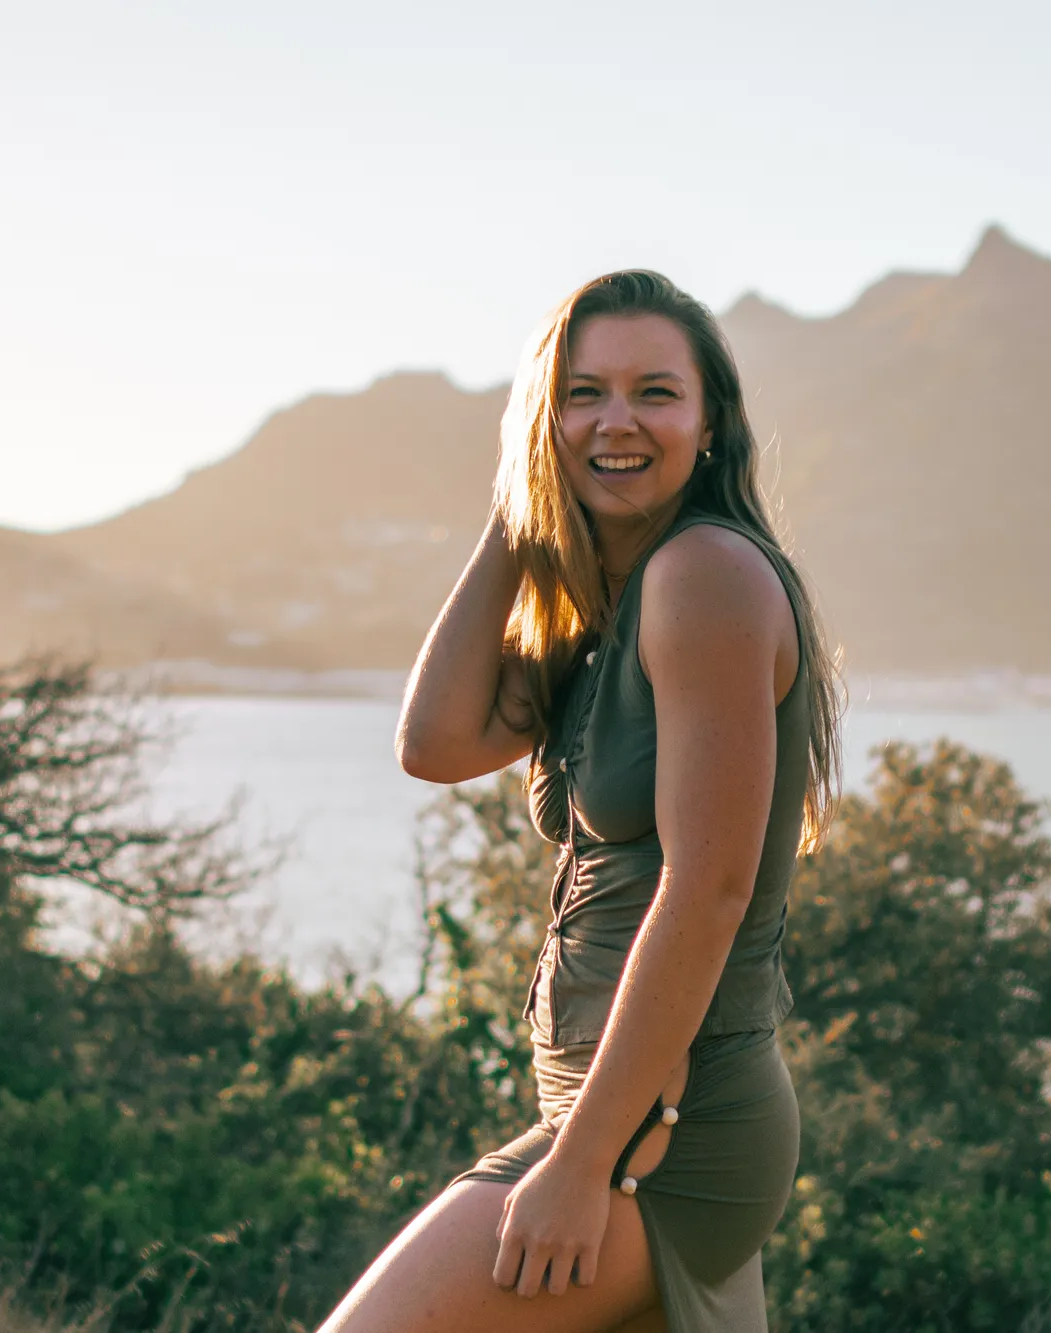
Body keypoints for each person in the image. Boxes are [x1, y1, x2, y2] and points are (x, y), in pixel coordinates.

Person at [319, 270, 843, 1333]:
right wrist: (522, 510)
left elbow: (709, 889)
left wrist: (579, 1164)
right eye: (582, 394)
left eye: (656, 392)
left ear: (709, 424)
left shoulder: (704, 574)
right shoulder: (611, 605)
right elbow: (434, 742)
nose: (617, 420)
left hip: (667, 1132)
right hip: (611, 1116)